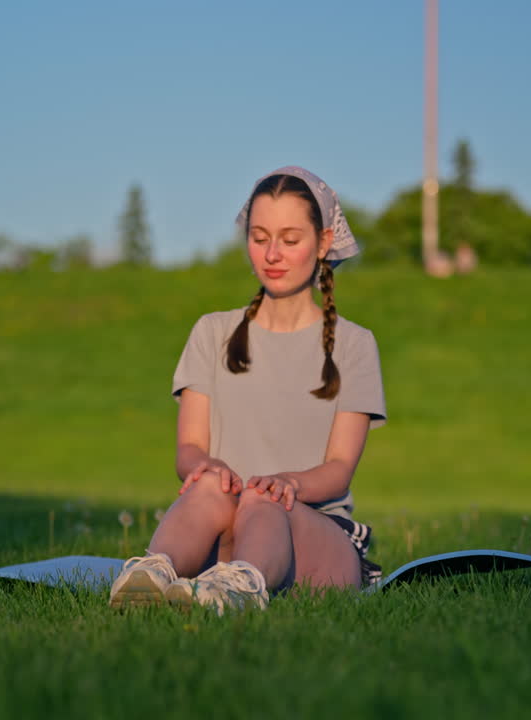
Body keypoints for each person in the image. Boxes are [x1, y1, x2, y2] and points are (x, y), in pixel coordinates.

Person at [108, 166, 387, 615]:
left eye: (290, 240)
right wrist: (206, 467)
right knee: (208, 490)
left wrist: (287, 483)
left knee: (262, 498)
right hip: (228, 525)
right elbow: (189, 448)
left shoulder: (355, 345)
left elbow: (338, 470)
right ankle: (153, 574)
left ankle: (239, 588)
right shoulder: (212, 332)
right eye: (259, 238)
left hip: (316, 538)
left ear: (322, 241)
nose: (272, 253)